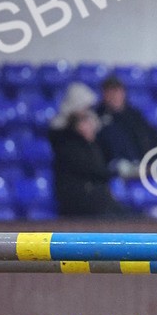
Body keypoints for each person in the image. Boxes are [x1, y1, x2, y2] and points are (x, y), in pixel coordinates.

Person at [49, 82, 129, 217]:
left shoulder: (92, 142)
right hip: (79, 201)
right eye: (84, 117)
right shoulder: (65, 142)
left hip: (98, 198)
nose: (89, 119)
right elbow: (92, 169)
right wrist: (115, 172)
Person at [96, 74, 157, 176]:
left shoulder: (135, 115)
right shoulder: (97, 116)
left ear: (123, 93)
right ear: (104, 94)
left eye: (117, 91)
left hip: (141, 164)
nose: (114, 96)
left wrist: (151, 161)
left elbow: (150, 138)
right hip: (114, 168)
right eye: (110, 92)